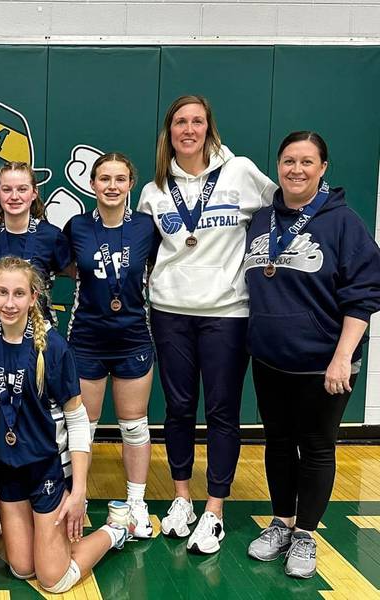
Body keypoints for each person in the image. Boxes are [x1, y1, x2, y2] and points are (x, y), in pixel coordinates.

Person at [137, 94, 277, 554]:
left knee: (221, 412)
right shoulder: (155, 189)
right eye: (181, 122)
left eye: (198, 121)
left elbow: (285, 209)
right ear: (169, 132)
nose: (189, 129)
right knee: (177, 408)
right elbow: (143, 247)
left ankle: (214, 509)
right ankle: (182, 499)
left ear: (209, 128)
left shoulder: (239, 172)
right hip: (171, 311)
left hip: (227, 313)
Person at [243, 132, 380, 578]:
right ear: (277, 166)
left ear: (323, 168)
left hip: (325, 363)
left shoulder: (343, 222)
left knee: (317, 446)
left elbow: (363, 295)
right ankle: (281, 522)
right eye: (287, 161)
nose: (295, 170)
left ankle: (305, 533)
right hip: (270, 359)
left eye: (306, 162)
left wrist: (343, 356)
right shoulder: (262, 218)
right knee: (279, 444)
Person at [0, 256, 131, 593]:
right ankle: (49, 542)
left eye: (19, 293)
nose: (10, 302)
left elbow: (77, 421)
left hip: (48, 470)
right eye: (2, 292)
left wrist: (79, 492)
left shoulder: (53, 347)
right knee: (21, 568)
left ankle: (116, 529)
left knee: (53, 580)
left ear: (34, 297)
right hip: (8, 469)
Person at [63, 153, 157, 539]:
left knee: (134, 426)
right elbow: (70, 268)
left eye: (120, 178)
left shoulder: (147, 228)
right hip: (86, 337)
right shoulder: (78, 226)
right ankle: (77, 497)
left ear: (131, 183)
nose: (112, 186)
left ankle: (136, 501)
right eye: (104, 178)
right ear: (92, 184)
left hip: (133, 336)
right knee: (83, 425)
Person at [0, 161, 71, 323]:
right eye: (7, 189)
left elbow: (73, 274)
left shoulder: (52, 236)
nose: (14, 196)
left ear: (34, 193)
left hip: (40, 329)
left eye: (22, 189)